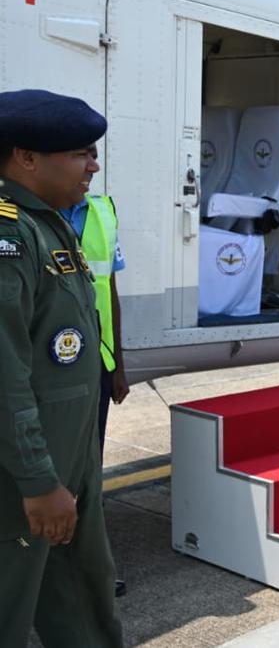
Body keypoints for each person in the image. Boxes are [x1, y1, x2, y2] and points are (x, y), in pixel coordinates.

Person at [0, 89, 125, 646]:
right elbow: (5, 373)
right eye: (80, 153)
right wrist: (39, 481)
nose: (93, 165)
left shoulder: (48, 223)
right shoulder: (9, 232)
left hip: (68, 466)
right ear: (25, 156)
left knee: (83, 599)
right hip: (25, 481)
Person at [59, 177, 130, 598]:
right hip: (43, 371)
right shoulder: (17, 212)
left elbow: (111, 291)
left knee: (88, 470)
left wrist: (119, 364)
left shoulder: (103, 210)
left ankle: (87, 567)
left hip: (95, 366)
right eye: (79, 154)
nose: (92, 165)